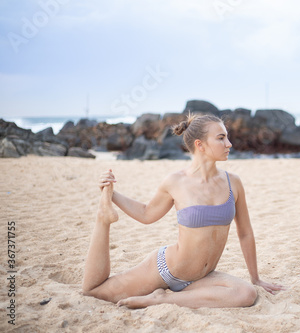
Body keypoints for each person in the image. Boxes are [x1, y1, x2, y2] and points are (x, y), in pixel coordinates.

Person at [82, 113, 284, 309]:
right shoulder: (175, 181)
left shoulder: (234, 182)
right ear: (200, 145)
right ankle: (103, 219)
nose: (229, 144)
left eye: (227, 137)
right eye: (221, 138)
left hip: (203, 278)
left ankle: (160, 299)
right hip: (165, 269)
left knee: (247, 293)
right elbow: (146, 214)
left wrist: (255, 278)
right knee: (94, 291)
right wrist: (112, 194)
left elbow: (245, 233)